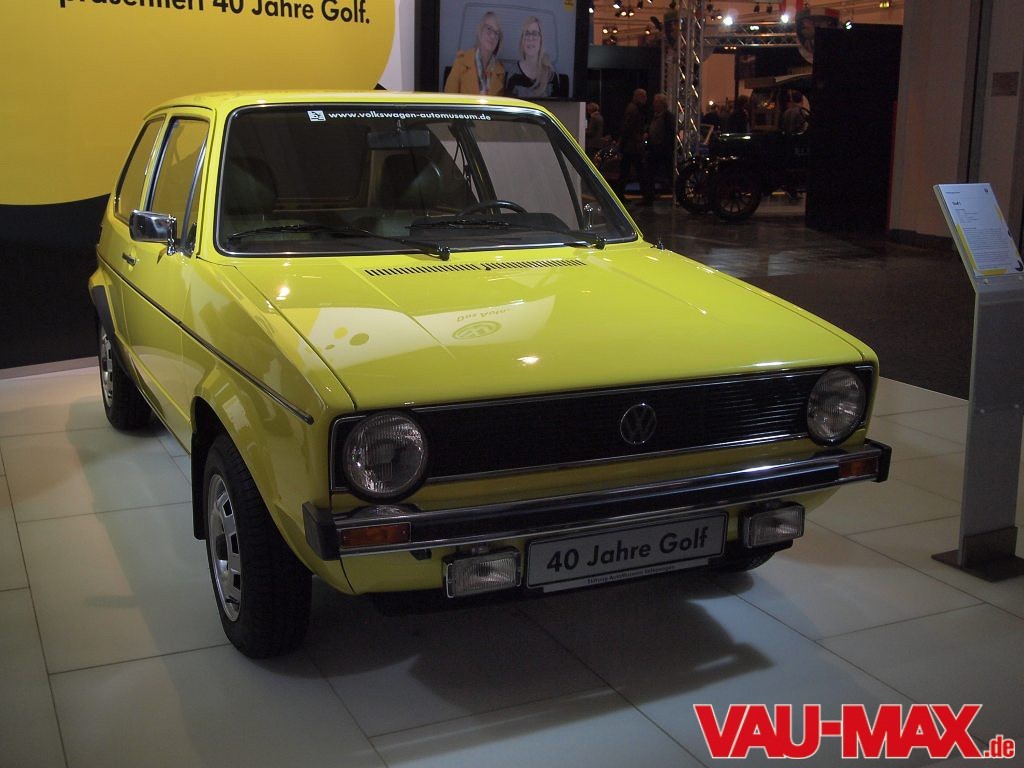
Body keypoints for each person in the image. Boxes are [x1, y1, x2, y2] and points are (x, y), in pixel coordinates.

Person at [444, 12, 505, 96]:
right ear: (480, 32)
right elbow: (448, 99)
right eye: (489, 29)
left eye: (497, 33)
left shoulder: (500, 71)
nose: (493, 36)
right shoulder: (461, 63)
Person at [504, 17, 566, 99]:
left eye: (535, 33)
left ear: (541, 40)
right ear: (522, 40)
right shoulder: (513, 74)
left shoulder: (551, 75)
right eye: (527, 34)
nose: (530, 38)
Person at [615, 88, 648, 204]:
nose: (645, 99)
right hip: (632, 147)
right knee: (638, 171)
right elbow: (628, 128)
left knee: (626, 172)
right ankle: (646, 195)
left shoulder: (632, 108)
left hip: (630, 146)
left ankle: (619, 194)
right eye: (643, 97)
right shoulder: (634, 109)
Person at [645, 93, 675, 197]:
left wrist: (663, 145)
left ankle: (676, 194)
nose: (654, 104)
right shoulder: (654, 115)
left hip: (663, 149)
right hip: (655, 148)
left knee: (668, 173)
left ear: (662, 104)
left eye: (656, 102)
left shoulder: (668, 117)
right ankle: (650, 195)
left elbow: (670, 134)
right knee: (651, 173)